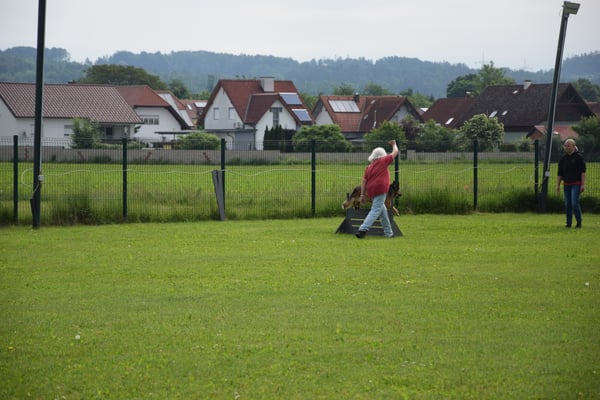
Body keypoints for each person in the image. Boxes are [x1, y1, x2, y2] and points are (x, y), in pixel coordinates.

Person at [356, 140, 399, 238]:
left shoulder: (369, 167)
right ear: (382, 155)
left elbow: (364, 181)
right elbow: (395, 152)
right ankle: (363, 229)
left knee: (383, 212)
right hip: (381, 189)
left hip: (371, 191)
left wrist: (362, 195)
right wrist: (394, 144)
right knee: (375, 210)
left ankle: (389, 234)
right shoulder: (383, 161)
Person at [556, 138, 586, 228]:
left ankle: (579, 222)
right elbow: (559, 173)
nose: (566, 147)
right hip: (566, 185)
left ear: (573, 146)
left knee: (574, 203)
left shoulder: (579, 157)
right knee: (567, 204)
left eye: (568, 146)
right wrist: (557, 185)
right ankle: (568, 223)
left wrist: (583, 184)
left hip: (576, 184)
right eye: (565, 145)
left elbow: (583, 172)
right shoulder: (563, 159)